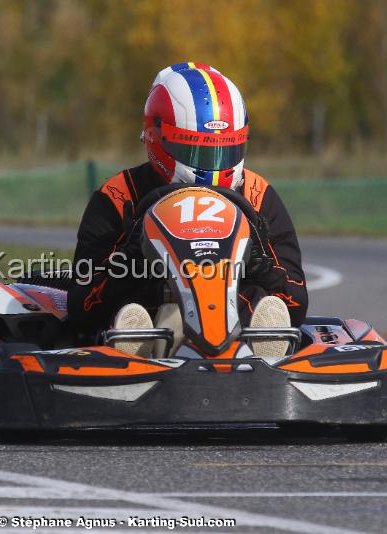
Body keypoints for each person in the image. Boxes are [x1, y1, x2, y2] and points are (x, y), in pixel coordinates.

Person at [67, 62, 308, 357]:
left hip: (239, 333)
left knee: (262, 302)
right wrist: (129, 257)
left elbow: (296, 302)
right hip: (148, 320)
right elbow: (82, 307)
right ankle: (136, 345)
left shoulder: (258, 196)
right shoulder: (119, 196)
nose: (214, 164)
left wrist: (260, 264)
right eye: (199, 151)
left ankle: (264, 345)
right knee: (132, 310)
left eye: (225, 149)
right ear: (156, 137)